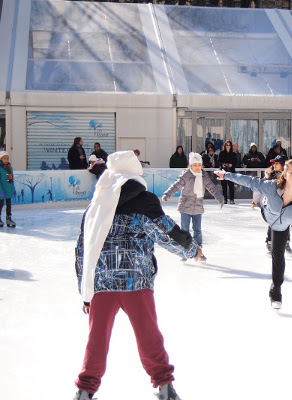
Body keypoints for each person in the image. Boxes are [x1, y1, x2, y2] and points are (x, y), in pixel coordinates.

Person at [73, 151, 202, 400]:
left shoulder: (96, 204)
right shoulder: (144, 201)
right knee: (149, 335)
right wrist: (191, 249)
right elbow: (167, 233)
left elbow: (82, 249)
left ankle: (85, 389)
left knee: (96, 340)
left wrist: (85, 291)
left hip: (102, 284)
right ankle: (164, 385)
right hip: (136, 282)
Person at [215, 160, 292, 309]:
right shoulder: (271, 187)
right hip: (265, 208)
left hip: (281, 227)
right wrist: (226, 175)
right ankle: (258, 203)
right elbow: (249, 181)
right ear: (285, 175)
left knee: (278, 255)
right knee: (258, 193)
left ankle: (275, 292)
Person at [162, 152, 225, 260]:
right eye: (195, 165)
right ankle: (184, 252)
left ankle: (199, 252)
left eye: (199, 165)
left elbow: (212, 187)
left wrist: (219, 196)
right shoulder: (186, 175)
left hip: (198, 207)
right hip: (185, 206)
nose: (197, 167)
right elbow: (176, 186)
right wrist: (167, 194)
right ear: (190, 165)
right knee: (184, 230)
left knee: (197, 230)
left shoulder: (204, 177)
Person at [253, 155, 292, 255]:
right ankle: (270, 242)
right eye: (274, 163)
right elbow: (261, 187)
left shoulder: (289, 176)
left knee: (286, 221)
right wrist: (255, 200)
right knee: (273, 220)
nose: (274, 165)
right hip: (271, 203)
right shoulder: (269, 175)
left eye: (277, 163)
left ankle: (286, 242)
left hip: (285, 203)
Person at [218, 140, 238, 204]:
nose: (228, 146)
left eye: (229, 145)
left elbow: (235, 162)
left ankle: (232, 199)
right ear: (225, 146)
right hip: (223, 172)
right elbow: (219, 161)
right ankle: (225, 199)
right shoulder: (221, 153)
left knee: (231, 186)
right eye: (227, 145)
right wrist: (223, 164)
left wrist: (231, 165)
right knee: (224, 186)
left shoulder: (233, 154)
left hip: (231, 171)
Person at [0, 151, 16, 228]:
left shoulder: (10, 168)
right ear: (0, 159)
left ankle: (8, 218)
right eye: (4, 158)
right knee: (0, 204)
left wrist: (13, 189)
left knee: (9, 205)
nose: (6, 160)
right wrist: (1, 191)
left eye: (7, 158)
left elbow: (12, 179)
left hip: (8, 189)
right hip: (1, 190)